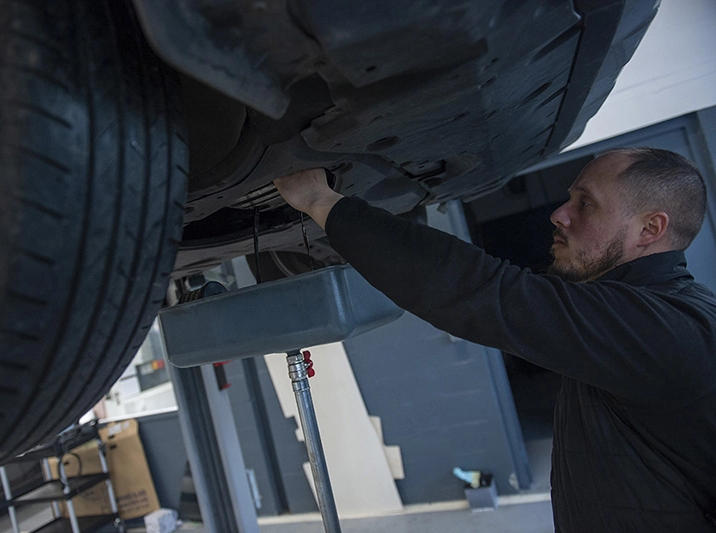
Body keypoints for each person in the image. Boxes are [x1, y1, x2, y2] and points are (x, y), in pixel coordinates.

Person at [273, 147, 716, 532]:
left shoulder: (668, 332)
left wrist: (321, 201)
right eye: (569, 199)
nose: (559, 215)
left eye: (586, 204)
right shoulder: (653, 312)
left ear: (650, 229)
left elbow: (485, 292)